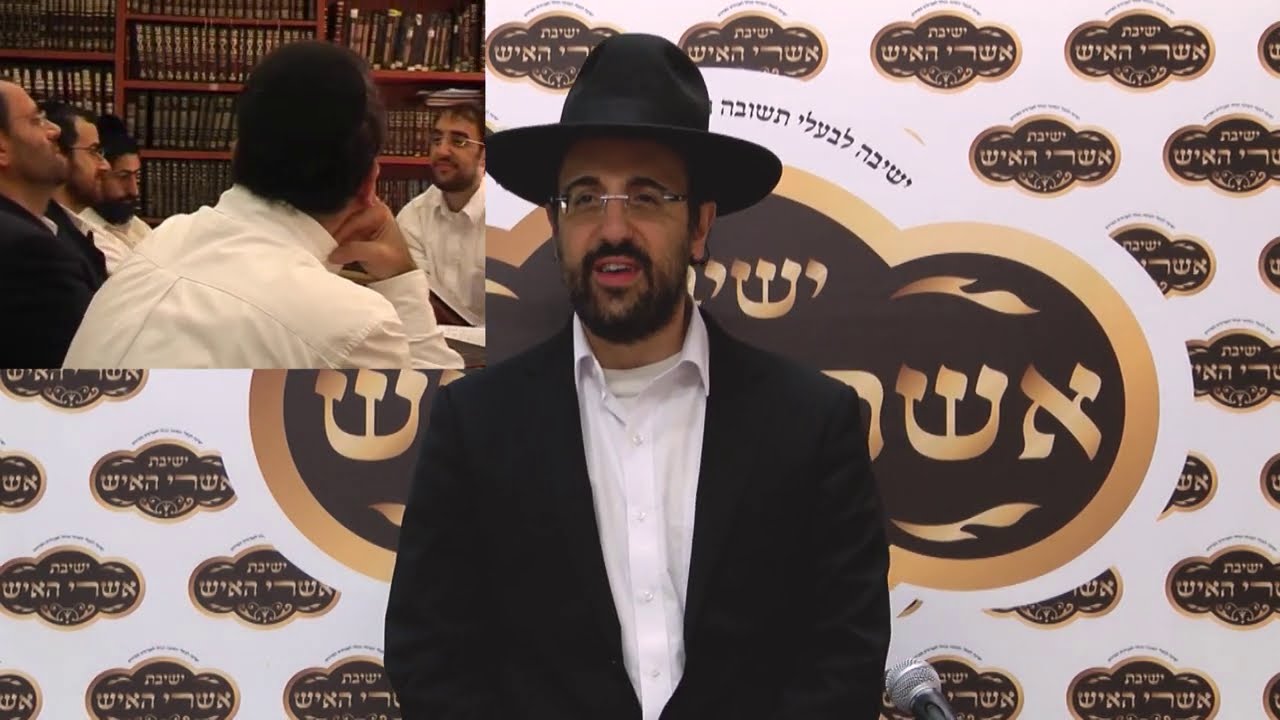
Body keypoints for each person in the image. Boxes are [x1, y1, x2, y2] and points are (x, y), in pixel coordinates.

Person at [385, 33, 891, 720]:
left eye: (646, 197)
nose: (612, 228)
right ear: (555, 225)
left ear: (700, 225)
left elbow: (843, 658)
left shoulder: (811, 422)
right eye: (585, 198)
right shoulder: (476, 424)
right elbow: (429, 655)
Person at [62, 40, 463, 369]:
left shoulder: (165, 238)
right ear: (368, 184)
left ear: (235, 154)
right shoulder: (355, 325)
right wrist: (402, 278)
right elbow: (441, 424)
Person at [0, 82, 99, 367]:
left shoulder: (48, 227)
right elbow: (88, 372)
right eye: (36, 121)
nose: (55, 130)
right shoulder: (27, 251)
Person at [394, 101, 486, 327]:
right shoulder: (413, 217)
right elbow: (414, 303)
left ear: (484, 155)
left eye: (458, 141)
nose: (442, 151)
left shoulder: (508, 221)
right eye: (436, 140)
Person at [39, 99, 128, 280]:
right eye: (93, 151)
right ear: (59, 153)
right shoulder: (46, 237)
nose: (105, 166)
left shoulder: (80, 228)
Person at [81, 114, 151, 252]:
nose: (134, 190)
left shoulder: (136, 226)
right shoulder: (84, 232)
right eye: (123, 177)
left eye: (136, 176)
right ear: (98, 172)